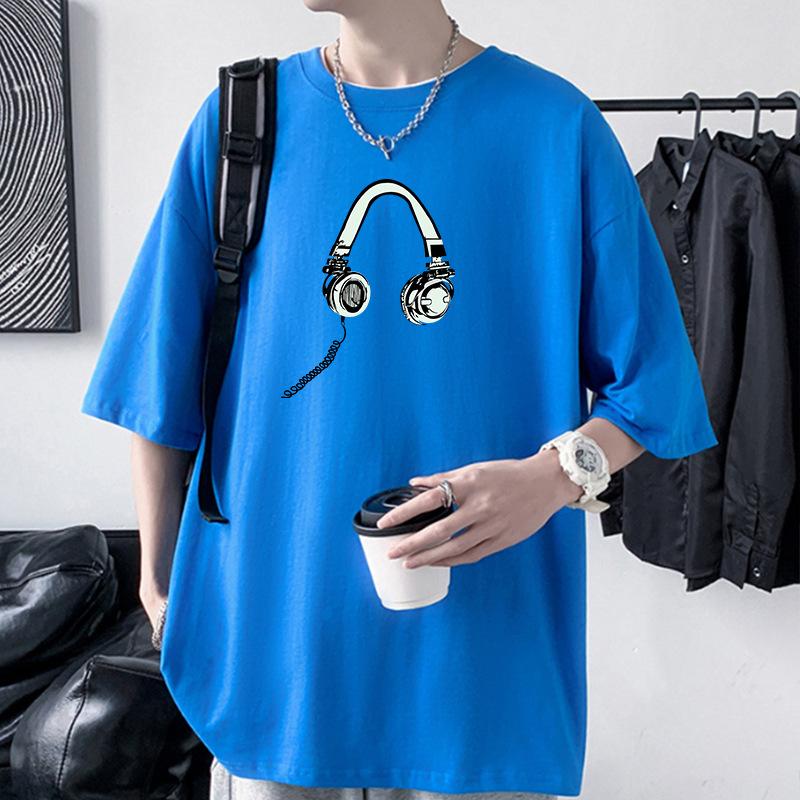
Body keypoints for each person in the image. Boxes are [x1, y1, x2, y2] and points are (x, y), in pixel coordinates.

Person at [80, 1, 718, 798]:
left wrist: (554, 477)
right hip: (279, 652)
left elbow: (652, 387)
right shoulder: (241, 120)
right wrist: (158, 582)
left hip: (481, 664)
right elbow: (160, 374)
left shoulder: (556, 128)